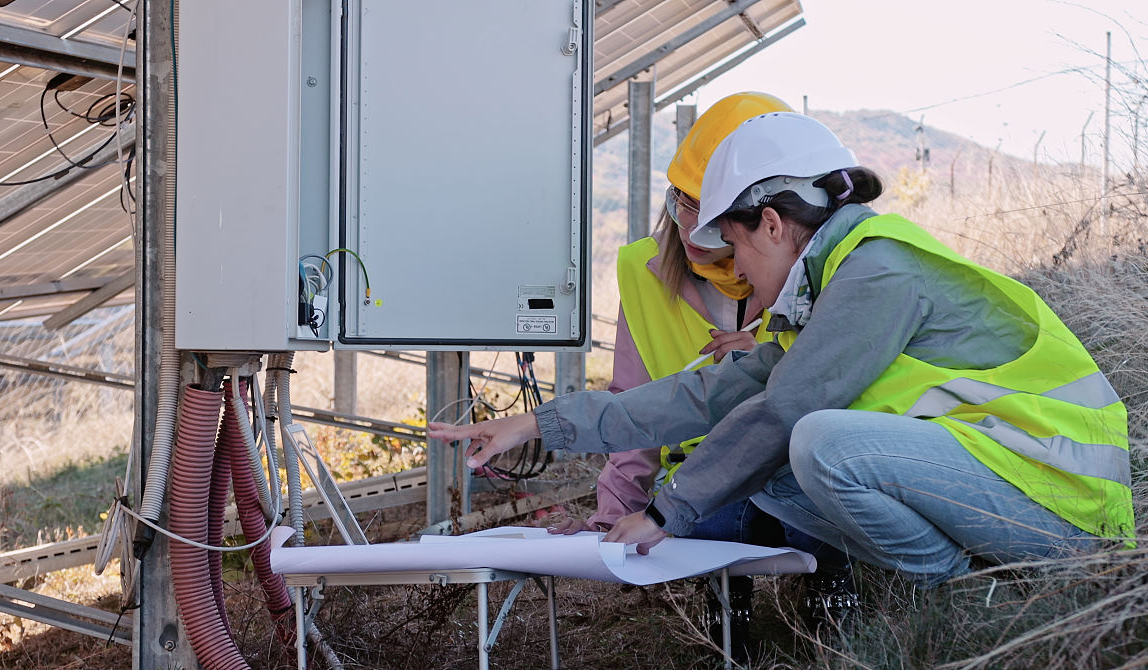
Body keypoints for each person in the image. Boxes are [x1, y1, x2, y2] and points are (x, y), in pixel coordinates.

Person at [430, 112, 1132, 594]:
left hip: (1066, 510)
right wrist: (539, 425)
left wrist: (666, 510)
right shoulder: (831, 287)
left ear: (771, 222)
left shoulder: (877, 272)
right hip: (1006, 487)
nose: (733, 268)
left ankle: (961, 593)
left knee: (811, 437)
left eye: (733, 245)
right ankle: (966, 584)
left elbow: (787, 407)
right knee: (757, 466)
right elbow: (707, 396)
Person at [549, 94, 855, 652]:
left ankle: (838, 634)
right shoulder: (643, 274)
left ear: (768, 214)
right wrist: (614, 515)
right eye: (683, 201)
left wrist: (771, 349)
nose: (691, 226)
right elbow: (635, 404)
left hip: (794, 474)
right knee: (703, 527)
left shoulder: (827, 270)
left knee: (811, 490)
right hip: (699, 486)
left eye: (711, 210)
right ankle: (729, 642)